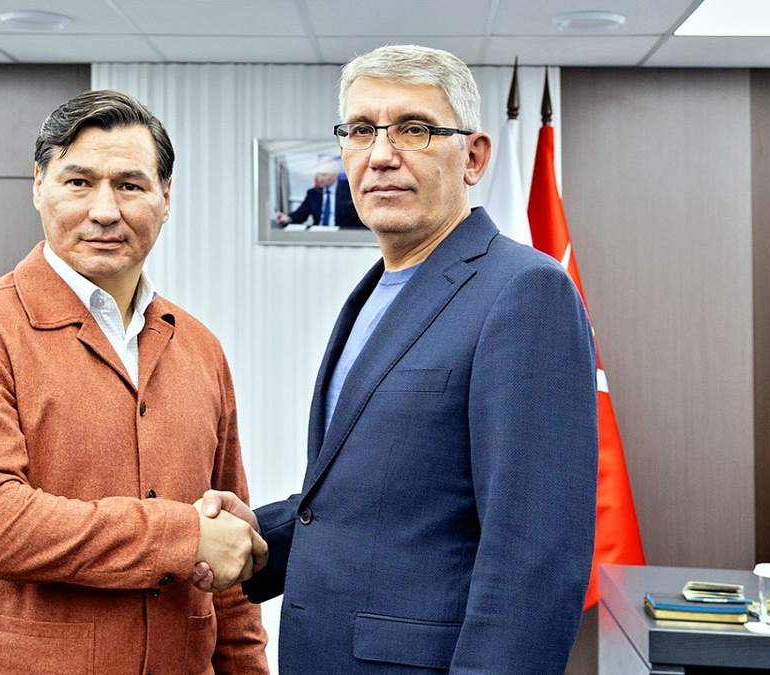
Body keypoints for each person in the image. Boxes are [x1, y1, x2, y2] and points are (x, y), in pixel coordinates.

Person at [198, 45, 598, 674]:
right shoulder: (372, 295)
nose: (381, 154)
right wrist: (256, 539)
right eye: (361, 130)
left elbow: (534, 557)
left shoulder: (525, 292)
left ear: (474, 157)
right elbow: (375, 504)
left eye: (415, 129)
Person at [0, 89, 268, 674]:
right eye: (78, 182)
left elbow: (227, 547)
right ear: (38, 186)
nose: (105, 210)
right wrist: (179, 536)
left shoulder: (200, 347)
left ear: (166, 197)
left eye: (130, 185)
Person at [275, 158, 363, 229]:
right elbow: (301, 214)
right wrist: (287, 218)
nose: (320, 178)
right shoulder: (313, 194)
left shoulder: (349, 192)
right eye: (318, 174)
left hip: (343, 236)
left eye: (324, 175)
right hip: (318, 235)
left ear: (334, 175)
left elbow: (359, 220)